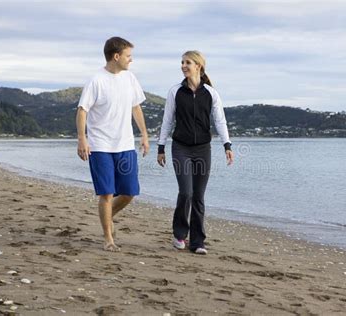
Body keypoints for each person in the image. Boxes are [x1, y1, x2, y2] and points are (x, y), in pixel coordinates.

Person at [76, 36, 149, 252]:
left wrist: (144, 134)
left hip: (125, 145)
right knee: (106, 193)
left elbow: (136, 107)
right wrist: (82, 139)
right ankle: (108, 238)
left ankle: (108, 217)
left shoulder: (130, 78)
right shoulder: (96, 80)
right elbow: (82, 111)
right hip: (100, 146)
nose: (131, 60)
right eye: (128, 56)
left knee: (129, 192)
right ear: (116, 56)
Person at [157, 50, 234, 255]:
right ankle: (179, 233)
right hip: (180, 147)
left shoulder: (211, 93)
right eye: (182, 62)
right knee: (186, 192)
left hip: (202, 149)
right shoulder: (175, 92)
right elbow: (168, 120)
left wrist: (227, 145)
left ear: (198, 66)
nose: (183, 66)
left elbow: (220, 121)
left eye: (187, 62)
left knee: (199, 196)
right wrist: (161, 147)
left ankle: (198, 242)